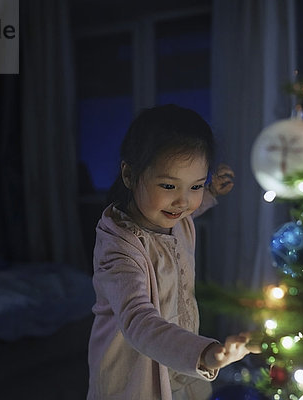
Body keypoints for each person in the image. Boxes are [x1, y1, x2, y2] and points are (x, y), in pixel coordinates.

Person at [87, 104, 258, 400]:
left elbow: (189, 208)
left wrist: (210, 193)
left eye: (195, 185)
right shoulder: (119, 248)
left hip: (179, 364)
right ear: (129, 174)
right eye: (168, 185)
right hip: (133, 376)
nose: (182, 203)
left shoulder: (173, 218)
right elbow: (138, 321)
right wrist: (204, 353)